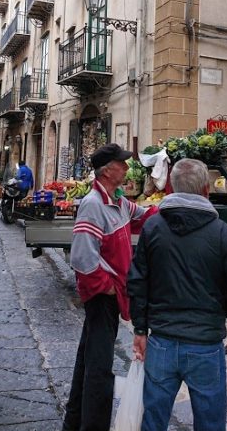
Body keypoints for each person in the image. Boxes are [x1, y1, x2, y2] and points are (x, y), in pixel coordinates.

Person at [127, 158, 227, 431]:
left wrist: (140, 329)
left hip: (162, 341)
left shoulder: (153, 228)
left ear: (171, 187)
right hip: (205, 345)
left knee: (153, 421)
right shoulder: (223, 233)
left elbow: (137, 282)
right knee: (210, 423)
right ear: (206, 190)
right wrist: (219, 310)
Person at [62, 143, 158, 431]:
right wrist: (107, 288)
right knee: (100, 367)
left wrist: (171, 208)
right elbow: (81, 256)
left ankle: (74, 421)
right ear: (107, 170)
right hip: (103, 298)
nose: (127, 168)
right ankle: (94, 425)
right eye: (122, 164)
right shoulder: (94, 204)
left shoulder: (116, 201)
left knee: (87, 359)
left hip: (109, 296)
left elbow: (143, 216)